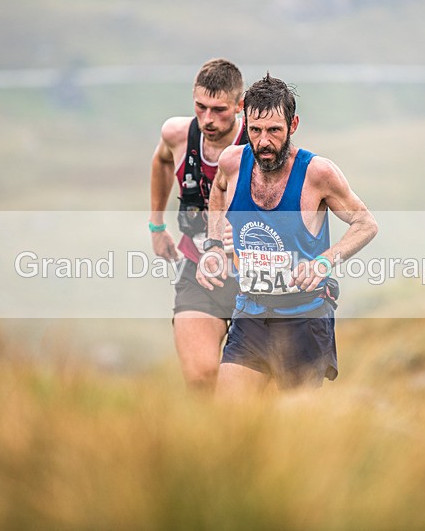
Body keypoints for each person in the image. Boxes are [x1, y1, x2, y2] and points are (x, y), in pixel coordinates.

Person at [196, 73, 378, 397]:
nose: (264, 142)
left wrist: (324, 261)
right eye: (255, 130)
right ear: (246, 124)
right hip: (250, 313)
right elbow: (218, 191)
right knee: (227, 420)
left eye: (274, 131)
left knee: (295, 432)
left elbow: (365, 224)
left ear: (292, 126)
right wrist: (212, 244)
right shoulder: (232, 163)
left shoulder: (318, 173)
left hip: (304, 319)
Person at [149, 58, 247, 392]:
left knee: (251, 389)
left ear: (240, 105)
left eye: (219, 109)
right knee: (201, 377)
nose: (207, 119)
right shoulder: (177, 134)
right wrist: (156, 225)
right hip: (199, 266)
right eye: (200, 107)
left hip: (257, 274)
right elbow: (161, 161)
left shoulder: (260, 141)